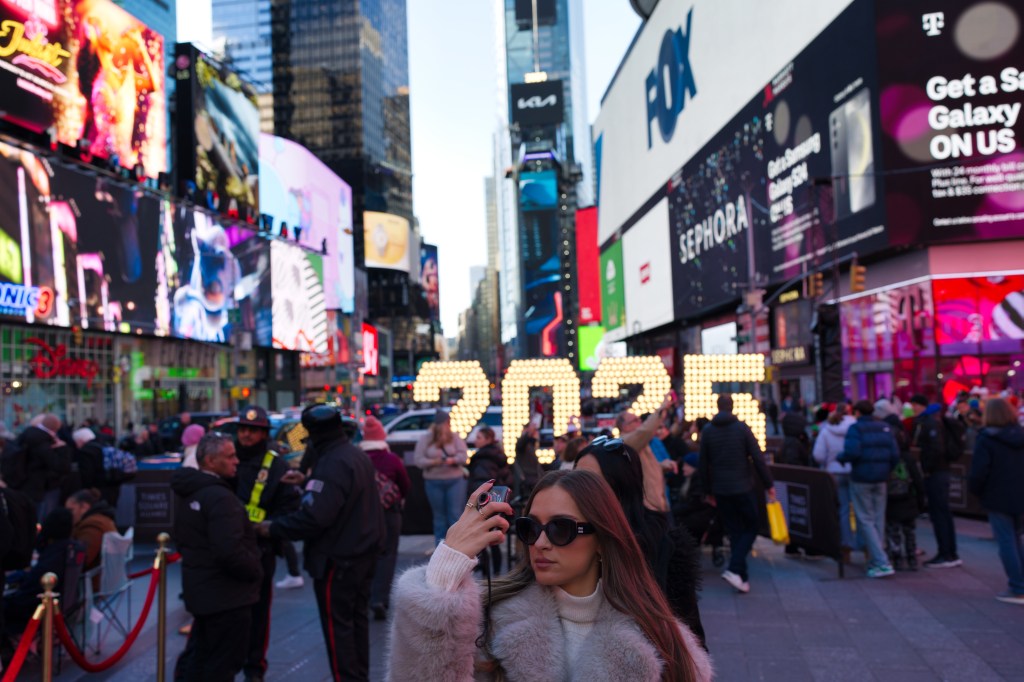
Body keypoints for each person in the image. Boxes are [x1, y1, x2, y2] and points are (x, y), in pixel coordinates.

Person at [387, 471, 712, 680]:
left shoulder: (660, 639)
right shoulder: (484, 622)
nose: (540, 543)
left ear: (602, 539)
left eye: (560, 529)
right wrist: (446, 567)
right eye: (530, 528)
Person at [258, 404, 384, 682]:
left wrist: (272, 528)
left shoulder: (332, 463)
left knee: (339, 632)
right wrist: (308, 480)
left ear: (314, 434)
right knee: (356, 625)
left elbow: (315, 517)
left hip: (338, 559)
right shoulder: (353, 455)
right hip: (362, 554)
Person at [575, 437, 706, 649]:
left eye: (590, 482)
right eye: (575, 479)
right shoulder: (564, 534)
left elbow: (689, 634)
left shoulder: (662, 544)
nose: (577, 490)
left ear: (620, 487)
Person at [172, 433, 263, 682]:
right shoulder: (219, 497)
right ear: (211, 461)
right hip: (227, 597)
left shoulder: (191, 492)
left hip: (204, 592)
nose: (236, 461)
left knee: (201, 657)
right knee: (221, 664)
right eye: (230, 456)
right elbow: (229, 550)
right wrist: (255, 570)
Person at [230, 406, 301, 682]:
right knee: (228, 613)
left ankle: (254, 669)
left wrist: (269, 529)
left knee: (258, 613)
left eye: (253, 430)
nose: (246, 435)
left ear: (263, 433)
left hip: (260, 549)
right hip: (228, 548)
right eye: (243, 429)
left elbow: (289, 507)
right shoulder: (227, 457)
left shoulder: (276, 465)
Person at [698, 394, 776, 593]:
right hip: (743, 487)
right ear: (732, 407)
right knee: (752, 526)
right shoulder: (742, 429)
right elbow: (757, 458)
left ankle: (741, 578)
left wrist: (707, 491)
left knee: (734, 532)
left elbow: (703, 464)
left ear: (717, 407)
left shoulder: (708, 431)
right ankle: (735, 569)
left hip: (721, 489)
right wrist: (768, 484)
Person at [968, 398, 1024, 605]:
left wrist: (977, 491)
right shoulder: (1021, 434)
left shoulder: (987, 438)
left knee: (1006, 541)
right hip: (1020, 493)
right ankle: (1020, 584)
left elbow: (979, 472)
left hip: (997, 494)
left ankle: (1018, 587)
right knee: (1016, 539)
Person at [839, 400, 900, 578]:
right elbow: (894, 454)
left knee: (865, 519)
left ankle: (880, 561)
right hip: (881, 478)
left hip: (862, 477)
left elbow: (852, 452)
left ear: (857, 412)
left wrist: (841, 458)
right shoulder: (885, 427)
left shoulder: (856, 429)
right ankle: (876, 558)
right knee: (878, 518)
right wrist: (886, 469)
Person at [359, 416, 411, 621]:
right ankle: (379, 599)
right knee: (387, 554)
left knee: (365, 554)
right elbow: (405, 484)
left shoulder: (357, 458)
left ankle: (364, 596)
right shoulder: (391, 459)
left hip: (363, 514)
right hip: (389, 513)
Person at [3, 508, 80, 637]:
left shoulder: (56, 556)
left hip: (33, 609)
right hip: (60, 606)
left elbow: (28, 593)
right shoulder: (69, 549)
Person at [910, 394, 961, 568]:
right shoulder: (936, 420)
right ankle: (950, 552)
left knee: (939, 513)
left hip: (936, 473)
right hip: (941, 471)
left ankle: (946, 554)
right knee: (943, 513)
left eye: (915, 405)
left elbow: (935, 449)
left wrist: (927, 469)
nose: (913, 408)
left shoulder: (929, 423)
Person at [812, 403, 860, 563]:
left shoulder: (827, 430)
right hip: (854, 471)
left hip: (834, 472)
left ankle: (846, 547)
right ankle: (865, 546)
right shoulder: (856, 427)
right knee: (860, 509)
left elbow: (818, 455)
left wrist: (828, 461)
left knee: (843, 510)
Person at [413, 410, 469, 546]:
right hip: (433, 481)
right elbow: (418, 460)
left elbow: (464, 456)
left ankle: (457, 547)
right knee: (439, 518)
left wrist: (452, 460)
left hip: (455, 480)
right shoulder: (425, 439)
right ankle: (440, 548)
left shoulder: (455, 437)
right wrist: (434, 462)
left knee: (455, 515)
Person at [7, 413, 71, 518]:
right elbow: (59, 465)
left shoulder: (28, 435)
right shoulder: (42, 440)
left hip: (22, 484)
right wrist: (62, 449)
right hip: (36, 486)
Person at [618, 401, 675, 514]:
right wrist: (661, 409)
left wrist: (661, 466)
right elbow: (646, 430)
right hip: (648, 506)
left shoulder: (638, 442)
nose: (640, 422)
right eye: (635, 420)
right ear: (624, 426)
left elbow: (643, 469)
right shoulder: (627, 441)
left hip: (655, 503)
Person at [467, 426, 509, 576]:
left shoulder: (482, 459)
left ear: (488, 439)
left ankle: (487, 572)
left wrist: (475, 501)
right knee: (493, 538)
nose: (475, 440)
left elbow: (482, 482)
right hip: (497, 501)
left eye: (479, 437)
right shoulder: (498, 455)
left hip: (484, 503)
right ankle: (495, 572)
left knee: (482, 538)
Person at [65, 488, 117, 572]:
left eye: (71, 510)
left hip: (91, 577)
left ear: (84, 507)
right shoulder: (100, 520)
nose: (69, 515)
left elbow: (81, 559)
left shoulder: (93, 525)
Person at [513, 419, 544, 500]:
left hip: (534, 480)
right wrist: (529, 432)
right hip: (527, 481)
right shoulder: (522, 445)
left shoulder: (531, 445)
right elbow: (522, 442)